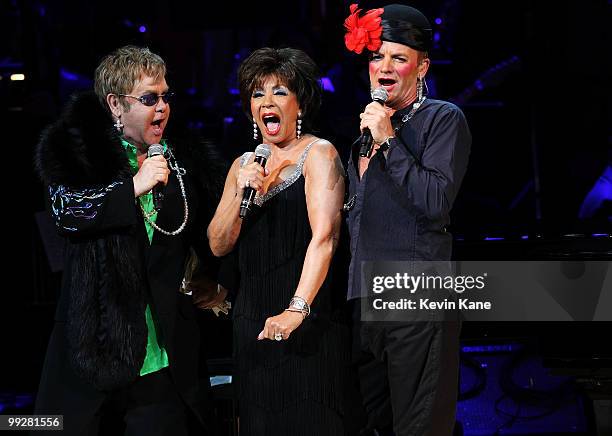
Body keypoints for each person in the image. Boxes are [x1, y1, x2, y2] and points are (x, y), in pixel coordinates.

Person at [33, 45, 227, 435]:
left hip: (162, 352)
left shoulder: (182, 159)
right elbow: (66, 214)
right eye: (149, 98)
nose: (162, 108)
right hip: (94, 343)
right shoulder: (76, 151)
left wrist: (214, 279)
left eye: (166, 97)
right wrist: (132, 187)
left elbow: (209, 232)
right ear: (116, 105)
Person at [343, 4, 472, 436]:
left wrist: (389, 141)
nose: (384, 67)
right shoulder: (364, 132)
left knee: (420, 427)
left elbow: (436, 201)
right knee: (375, 424)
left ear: (422, 67)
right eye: (377, 57)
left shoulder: (443, 118)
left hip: (416, 292)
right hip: (365, 297)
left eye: (398, 58)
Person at [207, 47, 347, 435]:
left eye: (280, 92)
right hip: (251, 325)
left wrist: (295, 310)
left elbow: (326, 238)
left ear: (300, 103)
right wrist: (239, 192)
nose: (267, 102)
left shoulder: (319, 154)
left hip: (308, 323)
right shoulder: (242, 165)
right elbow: (218, 245)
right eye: (257, 94)